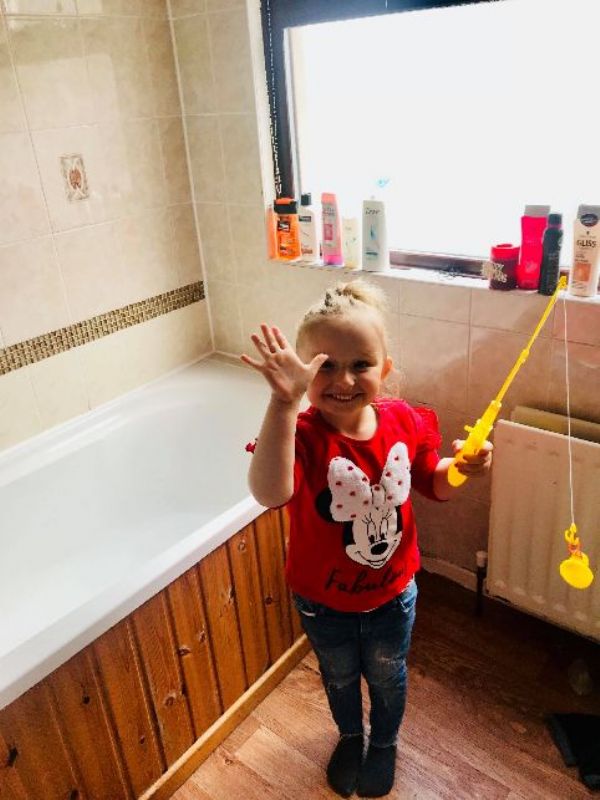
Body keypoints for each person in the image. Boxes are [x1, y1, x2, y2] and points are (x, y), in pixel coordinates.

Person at [241, 280, 492, 798]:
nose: (344, 380)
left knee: (386, 675)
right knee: (337, 677)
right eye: (325, 365)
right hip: (321, 601)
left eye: (361, 364)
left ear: (386, 368)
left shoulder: (404, 420)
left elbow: (434, 484)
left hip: (392, 597)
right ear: (302, 370)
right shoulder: (301, 434)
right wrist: (283, 403)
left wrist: (462, 467)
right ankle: (351, 736)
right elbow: (269, 493)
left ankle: (384, 743)